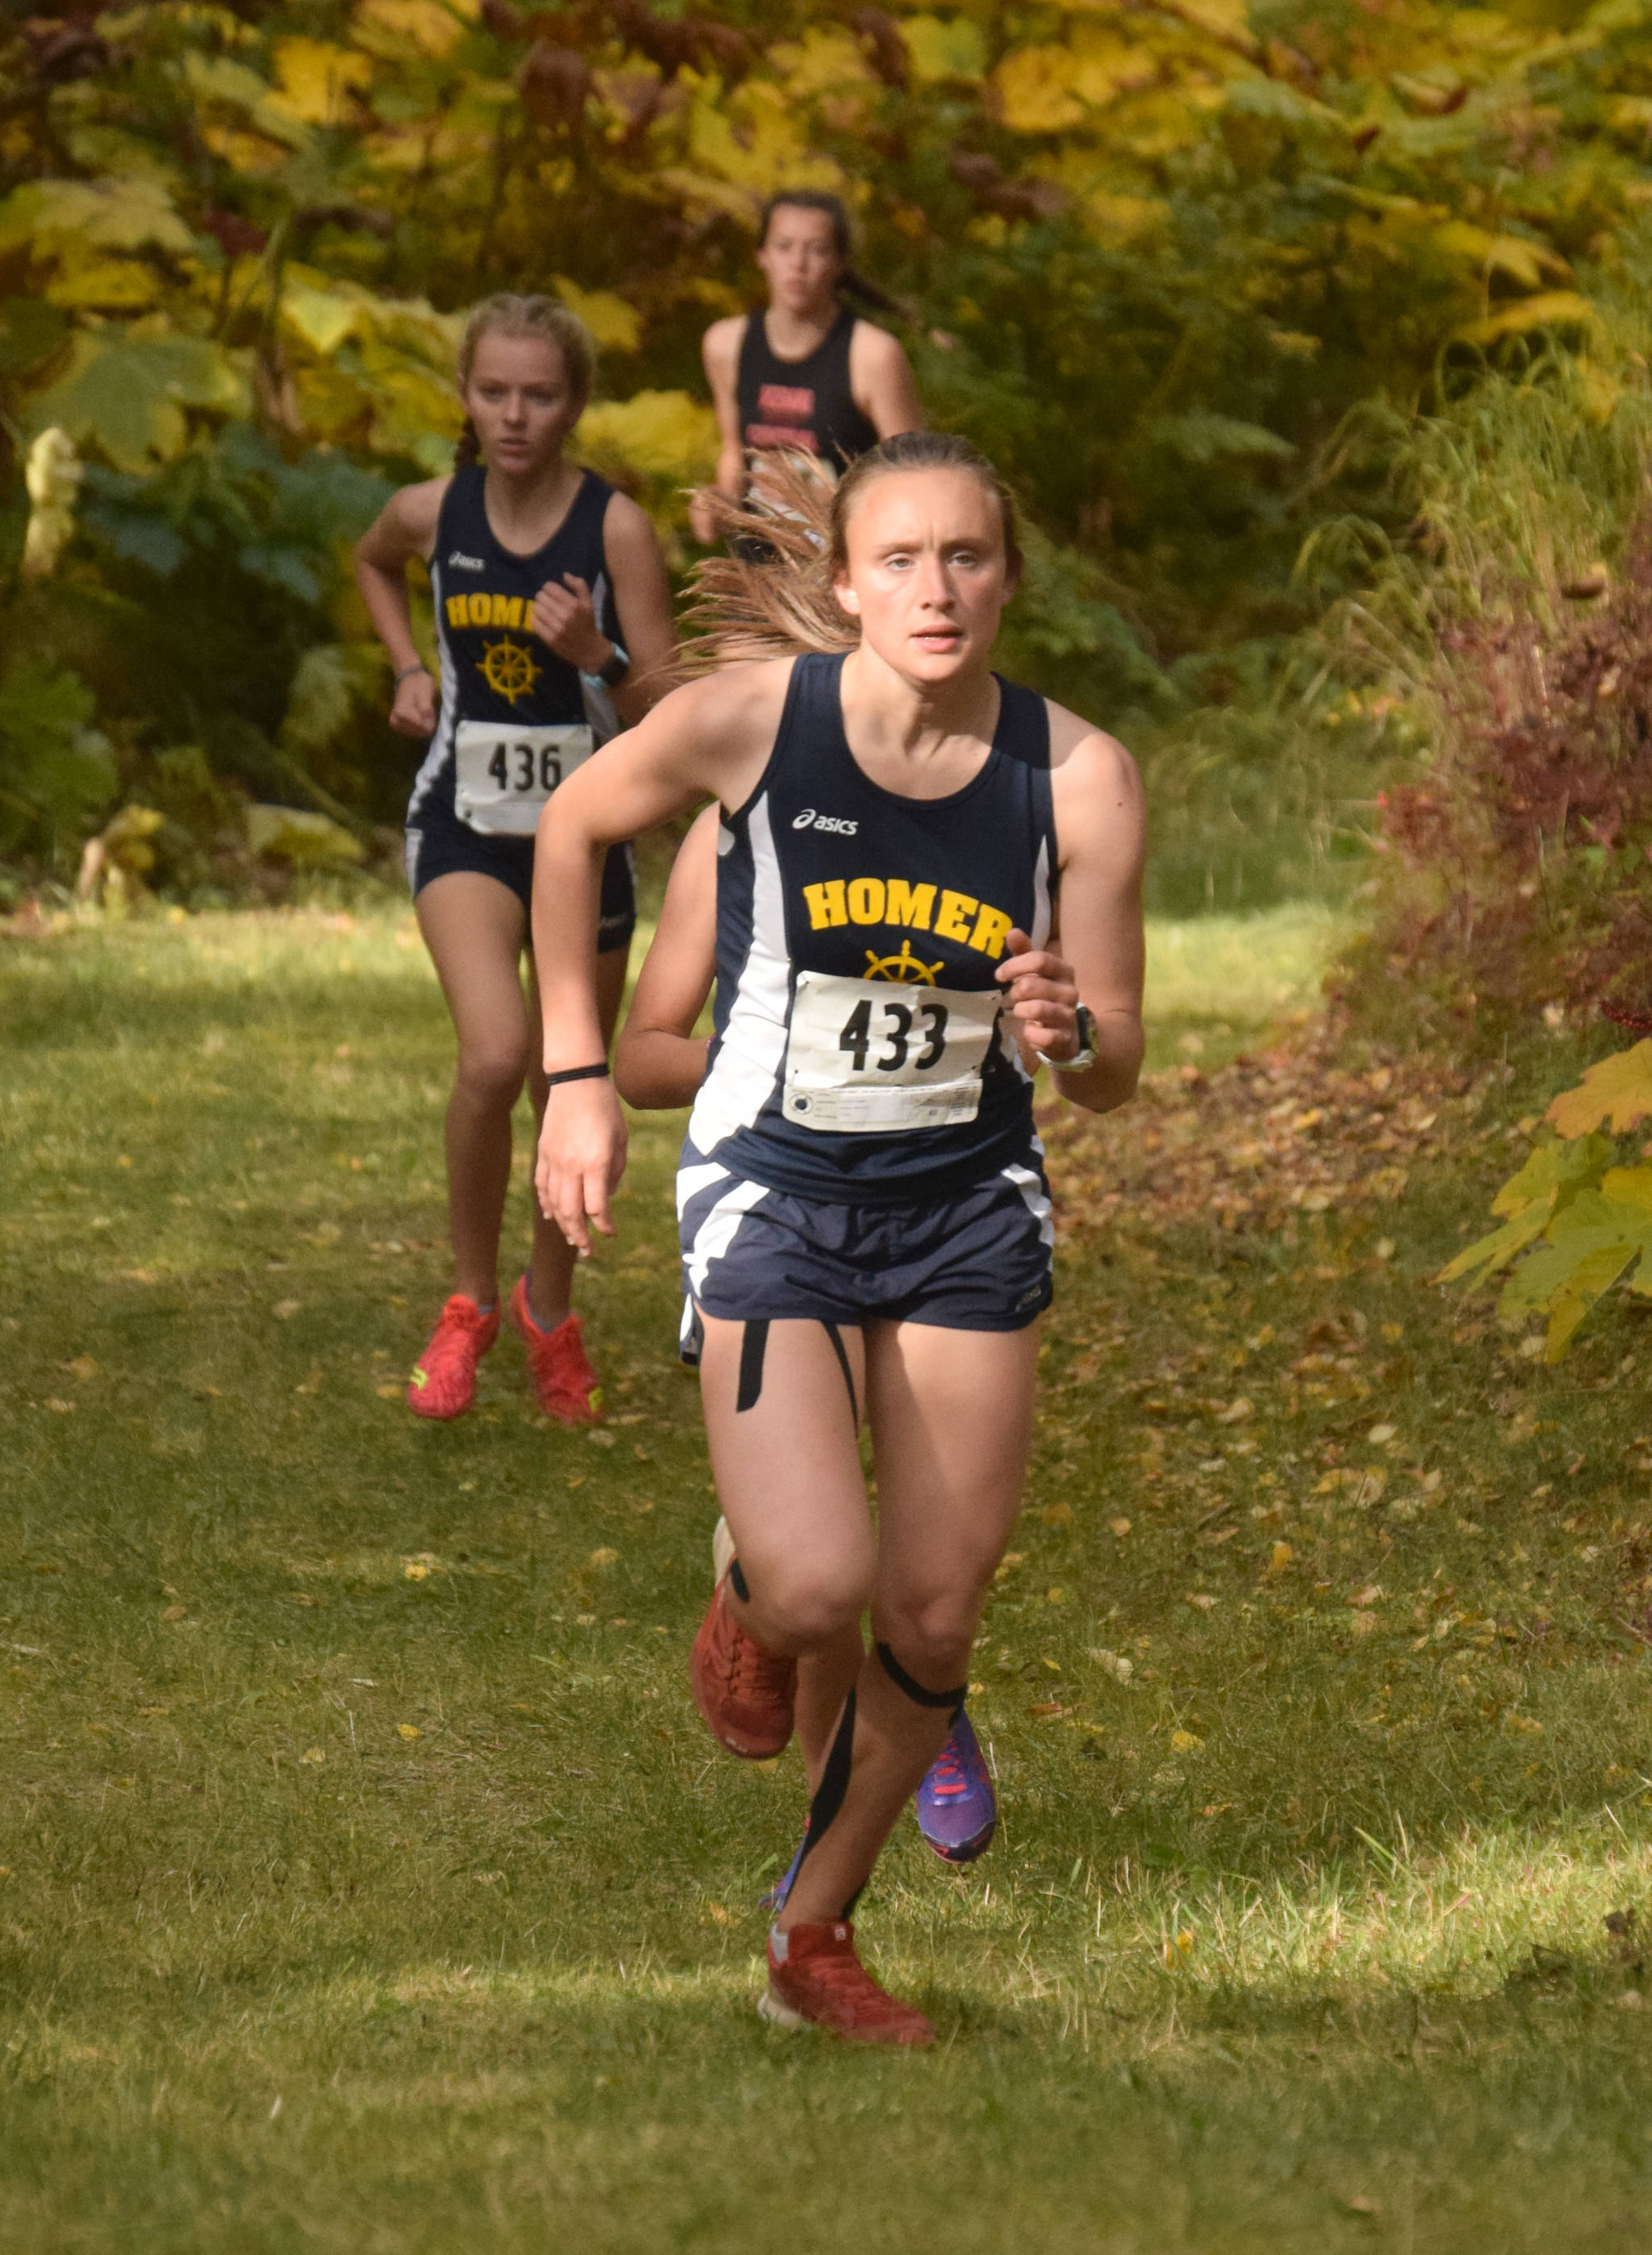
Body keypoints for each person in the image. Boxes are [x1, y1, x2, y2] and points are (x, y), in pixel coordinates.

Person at [533, 435, 1146, 2047]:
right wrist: (579, 1079)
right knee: (820, 1581)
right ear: (851, 582)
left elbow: (1119, 1066)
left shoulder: (1074, 776)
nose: (935, 590)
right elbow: (567, 832)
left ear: (1008, 576)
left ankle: (813, 1936)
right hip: (772, 1194)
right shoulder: (756, 727)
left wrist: (1067, 1026)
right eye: (900, 560)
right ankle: (748, 1590)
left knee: (934, 1616)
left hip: (965, 1209)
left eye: (966, 558)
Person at [614, 808, 999, 1879]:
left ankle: (925, 1687)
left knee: (933, 1546)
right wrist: (761, 1052)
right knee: (825, 1541)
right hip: (780, 1202)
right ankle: (831, 1798)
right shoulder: (737, 827)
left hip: (948, 1207)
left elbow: (1088, 1032)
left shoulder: (1000, 810)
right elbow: (640, 1060)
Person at [354, 293, 674, 1424]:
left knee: (562, 1080)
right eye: (494, 392)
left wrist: (597, 654)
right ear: (467, 396)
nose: (515, 414)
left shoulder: (616, 529)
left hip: (586, 842)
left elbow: (668, 710)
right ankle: (470, 1305)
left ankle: (550, 1309)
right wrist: (407, 669)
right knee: (496, 1057)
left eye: (540, 394)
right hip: (465, 826)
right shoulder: (433, 513)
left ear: (575, 404)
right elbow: (371, 561)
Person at [689, 191, 922, 547]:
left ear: (840, 263)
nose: (798, 264)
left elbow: (915, 480)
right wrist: (718, 502)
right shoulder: (725, 345)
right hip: (758, 577)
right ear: (761, 256)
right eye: (784, 247)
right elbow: (735, 452)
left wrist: (831, 503)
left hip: (841, 572)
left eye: (817, 250)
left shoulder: (873, 355)